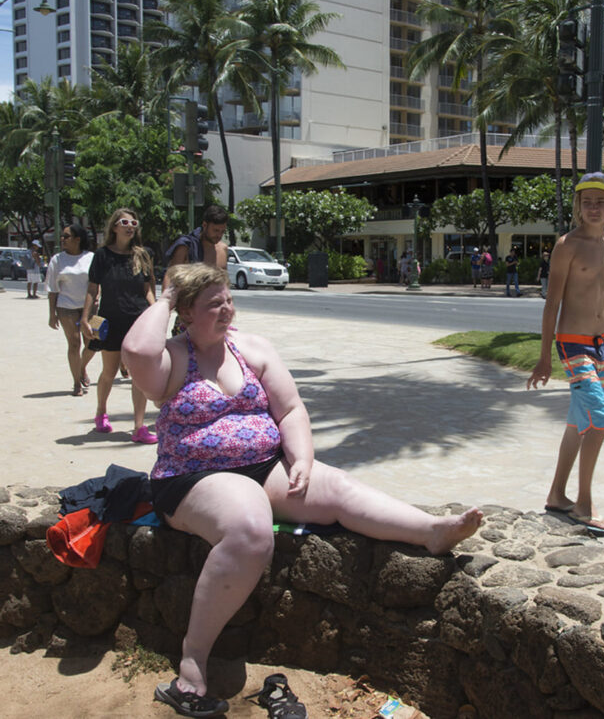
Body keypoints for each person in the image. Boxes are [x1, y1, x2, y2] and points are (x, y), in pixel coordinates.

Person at [121, 263, 483, 717]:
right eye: (213, 304)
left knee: (337, 488)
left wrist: (304, 460)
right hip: (191, 478)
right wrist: (168, 295)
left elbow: (290, 410)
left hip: (264, 466)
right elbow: (135, 349)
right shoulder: (170, 358)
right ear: (187, 312)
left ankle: (430, 531)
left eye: (228, 299)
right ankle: (192, 663)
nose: (227, 309)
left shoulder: (250, 348)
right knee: (251, 528)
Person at [526, 172, 604, 535]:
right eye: (587, 201)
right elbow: (552, 304)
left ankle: (556, 495)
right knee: (600, 421)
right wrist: (545, 356)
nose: (594, 208)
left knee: (579, 423)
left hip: (602, 343)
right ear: (578, 206)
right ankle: (583, 503)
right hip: (573, 343)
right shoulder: (567, 245)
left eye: (601, 201)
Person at [81, 209, 157, 443]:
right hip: (110, 320)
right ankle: (101, 413)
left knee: (138, 376)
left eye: (134, 222)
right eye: (124, 222)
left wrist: (155, 314)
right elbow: (93, 289)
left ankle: (138, 427)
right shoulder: (102, 255)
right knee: (109, 372)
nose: (130, 226)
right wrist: (86, 318)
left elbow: (148, 289)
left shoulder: (142, 255)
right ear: (114, 227)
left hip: (137, 320)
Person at [46, 224, 96, 396]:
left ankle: (81, 368)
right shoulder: (57, 260)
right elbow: (52, 289)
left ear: (77, 239)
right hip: (66, 307)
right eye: (62, 236)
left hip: (90, 308)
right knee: (74, 344)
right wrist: (51, 314)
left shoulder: (91, 257)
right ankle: (77, 383)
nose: (62, 239)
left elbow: (97, 281)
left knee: (93, 344)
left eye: (66, 236)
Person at [163, 205, 229, 284]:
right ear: (204, 225)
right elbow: (170, 278)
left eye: (222, 231)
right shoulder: (186, 247)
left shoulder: (223, 249)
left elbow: (223, 283)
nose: (219, 235)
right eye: (215, 230)